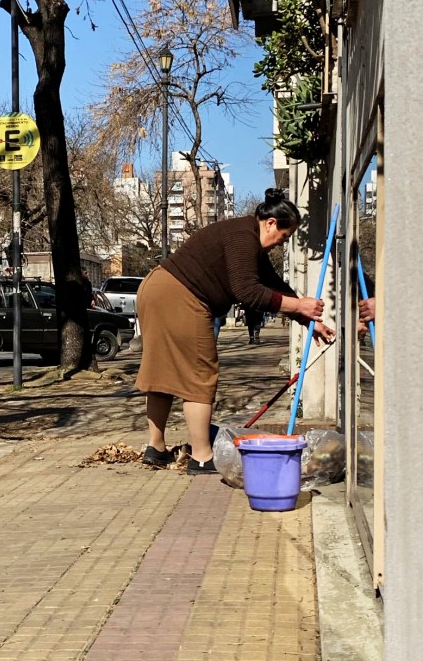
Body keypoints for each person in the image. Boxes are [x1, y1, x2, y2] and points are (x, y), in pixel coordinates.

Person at [135, 188, 335, 475]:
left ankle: (155, 448)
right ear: (270, 223)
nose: (280, 244)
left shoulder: (245, 235)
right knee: (200, 375)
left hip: (157, 288)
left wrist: (309, 321)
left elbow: (274, 285)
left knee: (162, 373)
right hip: (182, 295)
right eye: (284, 237)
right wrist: (300, 305)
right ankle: (202, 457)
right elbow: (248, 292)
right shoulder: (243, 238)